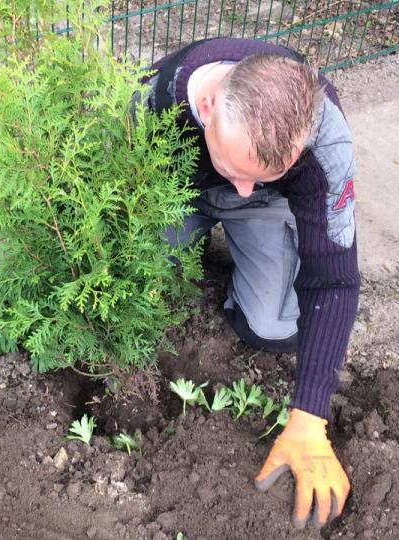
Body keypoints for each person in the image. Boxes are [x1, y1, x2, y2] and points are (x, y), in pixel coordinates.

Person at [142, 37, 360, 529]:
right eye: (237, 170)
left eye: (265, 171)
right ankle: (194, 236)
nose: (244, 184)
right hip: (173, 187)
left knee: (275, 328)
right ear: (207, 107)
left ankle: (245, 246)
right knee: (145, 278)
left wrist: (309, 417)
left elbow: (335, 281)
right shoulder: (156, 101)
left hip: (266, 206)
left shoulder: (324, 139)